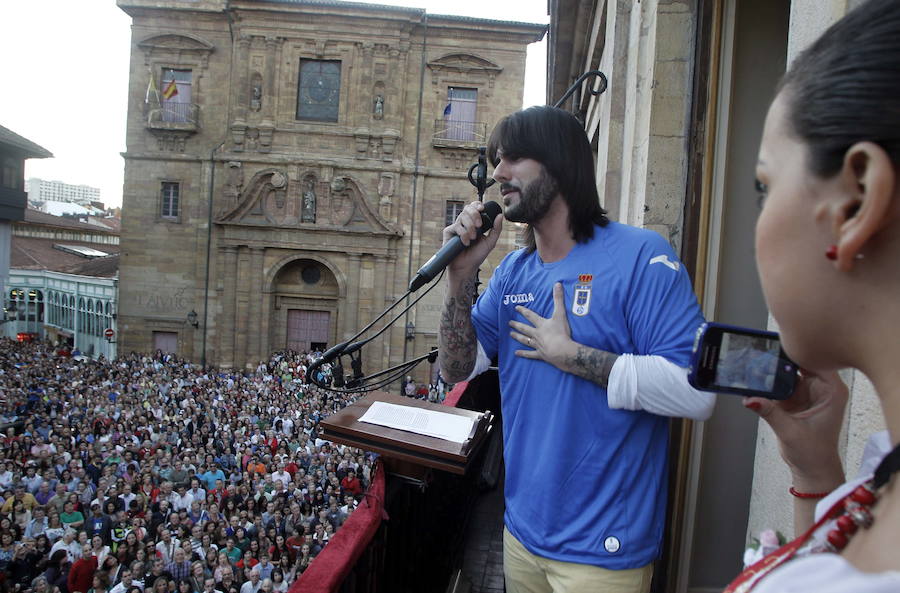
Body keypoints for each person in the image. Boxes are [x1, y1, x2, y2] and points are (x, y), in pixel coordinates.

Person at [438, 105, 715, 592]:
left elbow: (697, 391)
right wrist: (459, 281)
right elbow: (457, 369)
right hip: (522, 537)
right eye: (497, 159)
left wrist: (573, 357)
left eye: (515, 158)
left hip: (603, 554)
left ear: (561, 164)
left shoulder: (641, 256)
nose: (499, 172)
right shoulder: (512, 274)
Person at [722, 0, 900, 591]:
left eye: (765, 187)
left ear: (854, 203)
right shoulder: (882, 467)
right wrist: (818, 471)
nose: (760, 221)